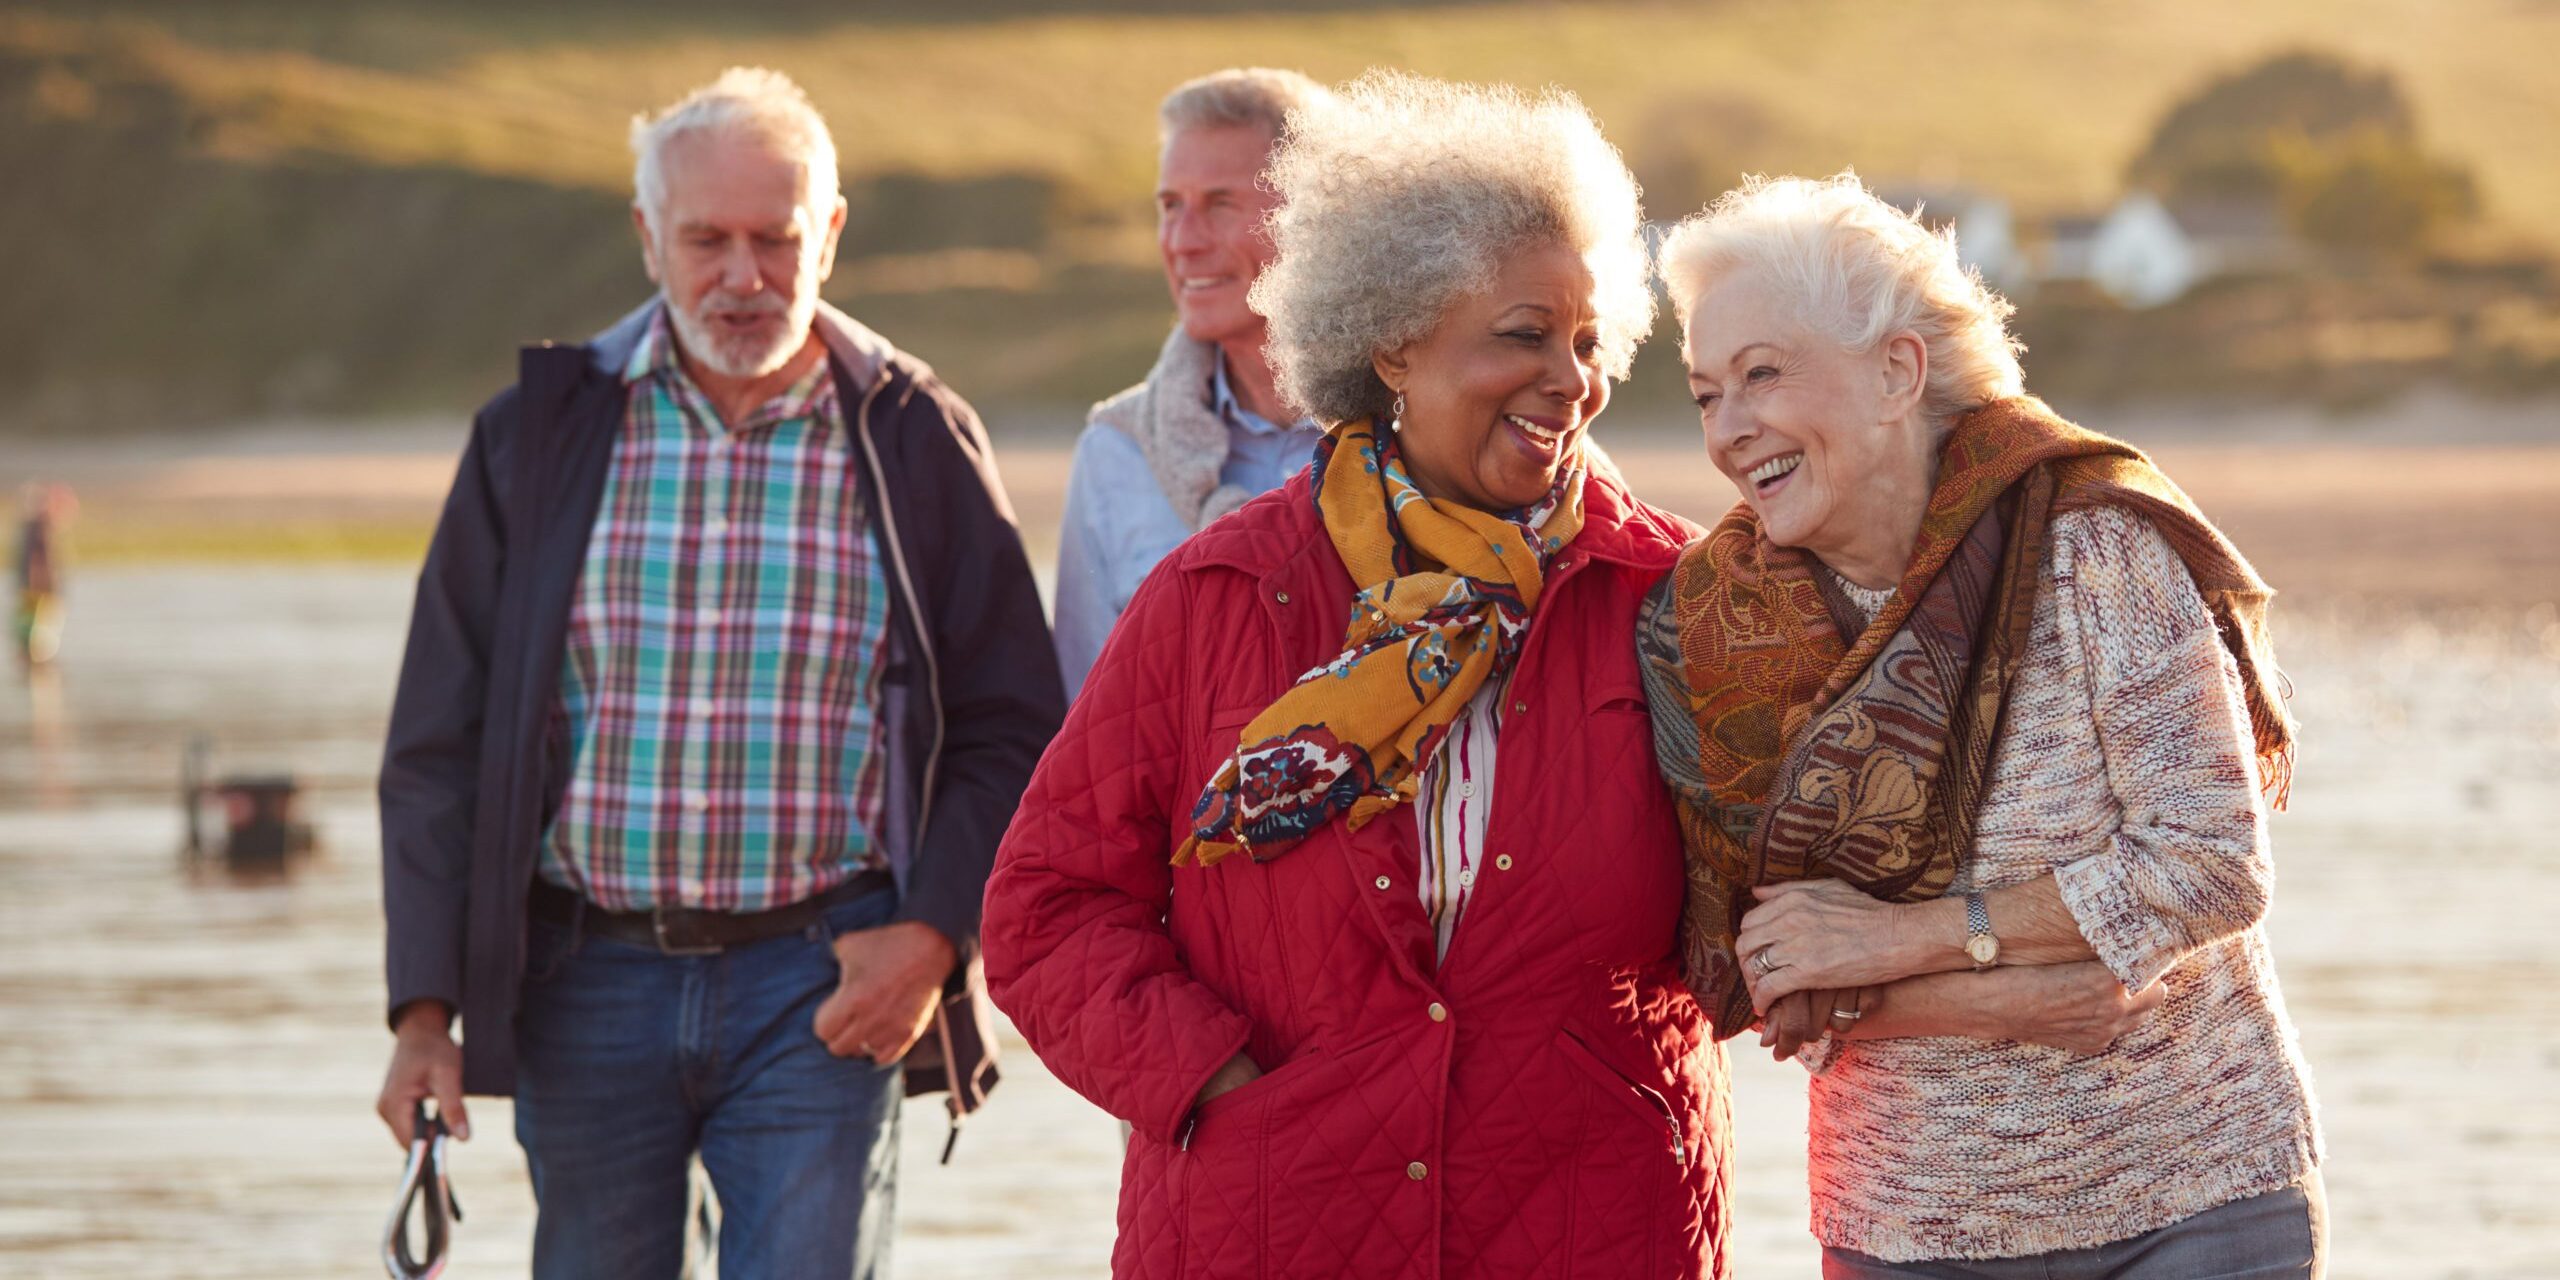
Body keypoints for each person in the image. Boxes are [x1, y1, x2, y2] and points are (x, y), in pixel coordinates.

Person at [985, 72, 1732, 1278]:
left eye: (1589, 341)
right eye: (1524, 334)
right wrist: (1210, 1078)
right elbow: (1046, 906)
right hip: (1273, 1218)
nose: (1571, 379)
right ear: (1392, 340)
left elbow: (1776, 898)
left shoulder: (1674, 594)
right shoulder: (1214, 592)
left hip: (1590, 1216)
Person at [373, 68, 1064, 1279]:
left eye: (774, 238)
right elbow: (439, 739)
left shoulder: (912, 434)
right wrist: (424, 1013)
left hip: (829, 981)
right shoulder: (535, 435)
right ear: (649, 238)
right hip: (579, 981)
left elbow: (1014, 724)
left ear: (829, 234)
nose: (743, 276)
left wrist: (932, 938)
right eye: (707, 239)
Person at [1640, 172, 2324, 1276]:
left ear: (1896, 370)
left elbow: (2208, 863)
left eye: (1762, 374)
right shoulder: (1712, 628)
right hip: (1907, 1224)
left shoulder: (2094, 547)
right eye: (1706, 392)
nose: (1730, 429)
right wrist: (2024, 994)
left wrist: (1900, 940)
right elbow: (1762, 975)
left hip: (2192, 1199)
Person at [1051, 67, 1331, 698]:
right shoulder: (1115, 453)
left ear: (1317, 219)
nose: (1181, 241)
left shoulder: (1432, 434)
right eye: (1170, 207)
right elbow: (1081, 732)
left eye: (1220, 204)